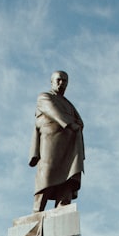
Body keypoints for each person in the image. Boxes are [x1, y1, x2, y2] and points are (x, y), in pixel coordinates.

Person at [28, 70, 84, 212]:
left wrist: (75, 124)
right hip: (51, 140)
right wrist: (70, 124)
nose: (61, 83)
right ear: (52, 81)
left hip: (69, 144)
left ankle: (63, 203)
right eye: (58, 80)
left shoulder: (69, 105)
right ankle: (38, 208)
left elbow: (80, 121)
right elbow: (53, 112)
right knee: (47, 172)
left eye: (65, 81)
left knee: (69, 174)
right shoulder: (44, 97)